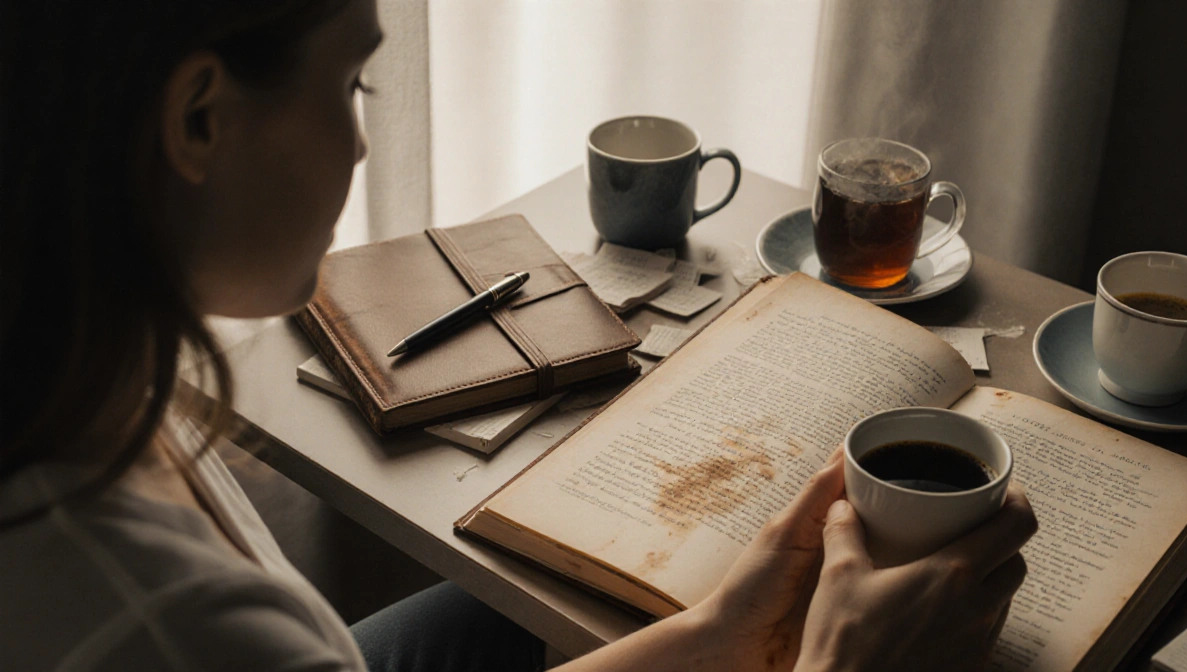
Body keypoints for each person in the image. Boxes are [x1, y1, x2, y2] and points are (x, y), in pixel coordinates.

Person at [0, 1, 1038, 670]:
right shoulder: (175, 627)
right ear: (196, 119)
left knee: (501, 620)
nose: (364, 144)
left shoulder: (78, 381)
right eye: (354, 85)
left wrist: (721, 631)